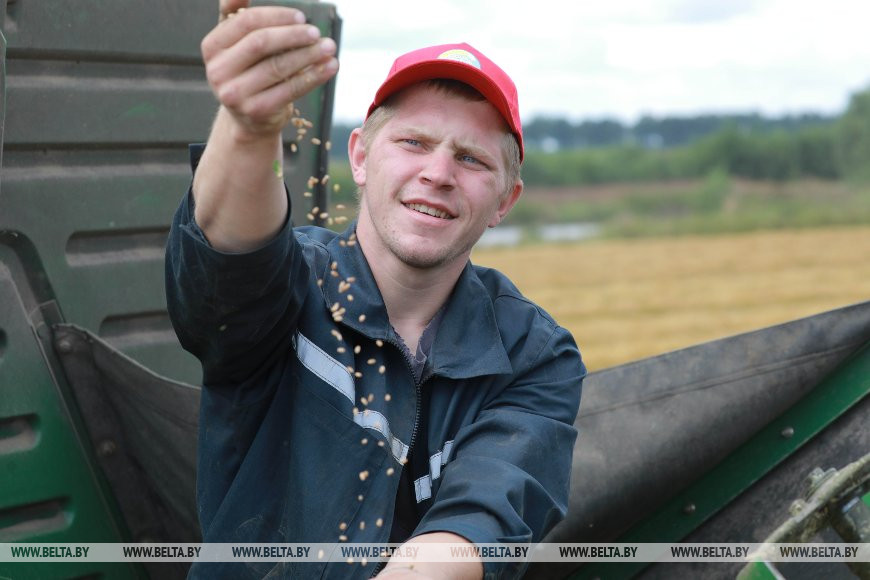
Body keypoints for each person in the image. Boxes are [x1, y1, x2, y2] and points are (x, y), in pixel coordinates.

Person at [165, 1, 585, 578]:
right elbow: (230, 266)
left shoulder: (532, 353)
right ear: (359, 156)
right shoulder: (295, 283)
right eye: (413, 142)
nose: (438, 173)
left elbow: (481, 521)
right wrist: (249, 126)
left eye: (470, 158)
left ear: (504, 202)